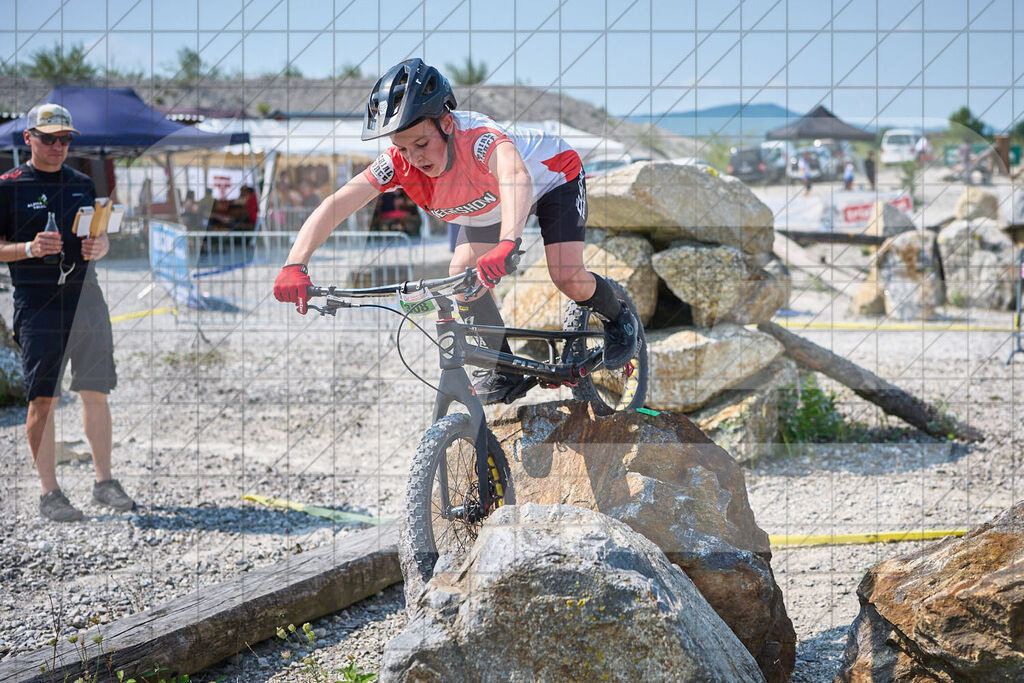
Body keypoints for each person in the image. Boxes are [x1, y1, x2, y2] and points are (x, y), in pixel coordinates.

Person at [274, 58, 638, 403]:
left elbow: (515, 176)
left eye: (421, 143)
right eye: (402, 147)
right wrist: (295, 263)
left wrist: (509, 243)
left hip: (551, 177)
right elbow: (338, 204)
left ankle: (621, 320)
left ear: (446, 123)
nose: (414, 156)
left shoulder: (478, 137)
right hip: (491, 201)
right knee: (461, 276)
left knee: (566, 275)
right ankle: (503, 368)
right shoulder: (399, 163)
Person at [0, 103, 134, 522]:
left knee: (96, 392)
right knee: (44, 398)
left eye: (65, 139)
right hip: (37, 303)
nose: (58, 146)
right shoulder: (8, 186)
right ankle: (49, 491)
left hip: (86, 299)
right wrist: (28, 249)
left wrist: (102, 247)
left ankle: (104, 482)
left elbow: (99, 234)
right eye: (49, 138)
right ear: (29, 139)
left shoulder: (81, 181)